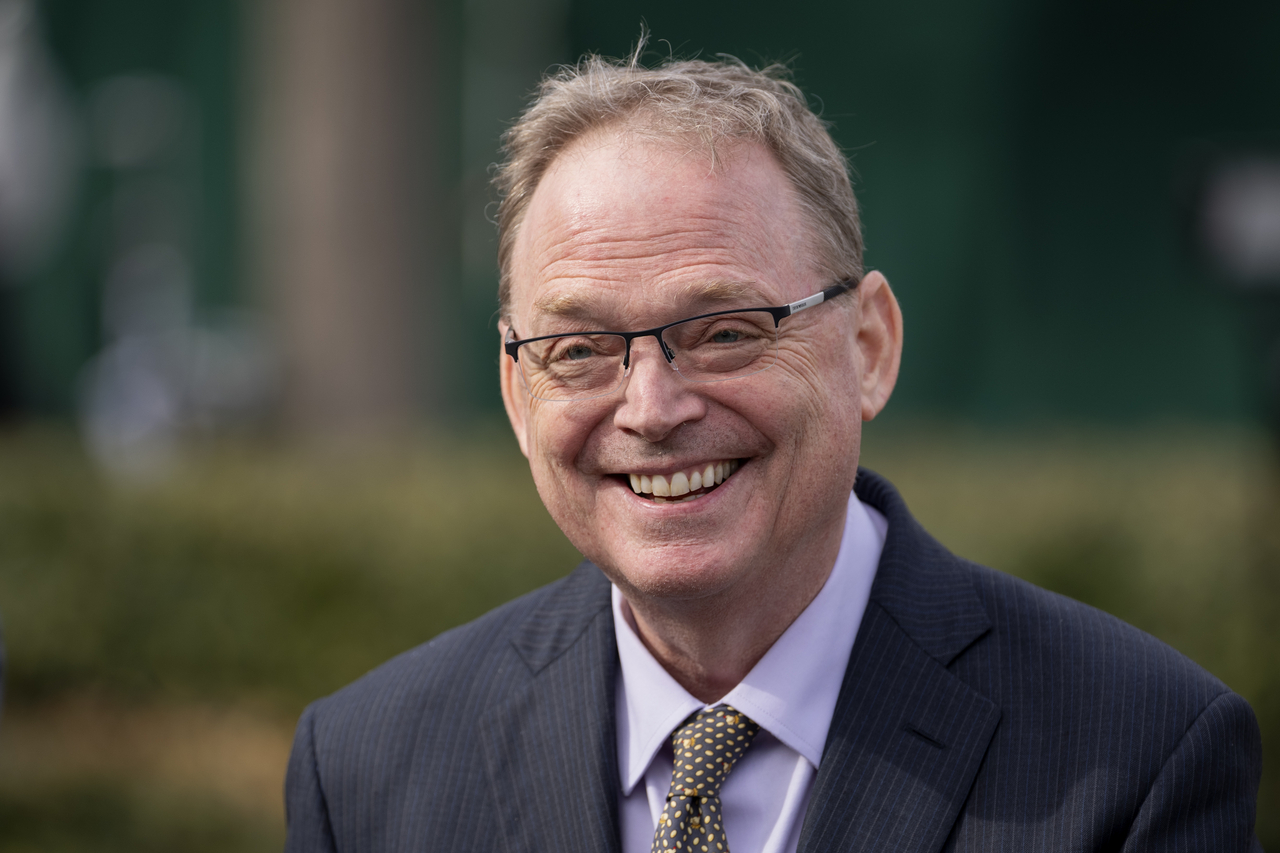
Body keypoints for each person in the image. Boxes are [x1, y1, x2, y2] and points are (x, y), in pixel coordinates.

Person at [284, 50, 1263, 852]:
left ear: (868, 346)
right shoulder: (370, 771)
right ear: (514, 391)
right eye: (576, 350)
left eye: (722, 330)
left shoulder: (1136, 756)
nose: (652, 406)